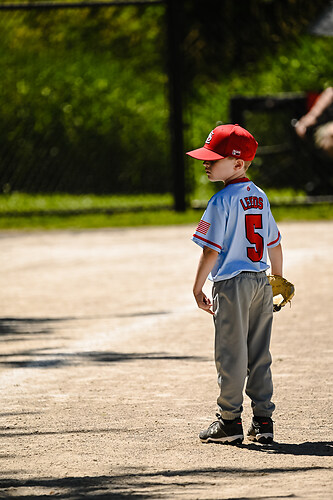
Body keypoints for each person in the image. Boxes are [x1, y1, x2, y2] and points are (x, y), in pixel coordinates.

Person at [187, 124, 283, 445]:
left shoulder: (220, 201)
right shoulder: (260, 197)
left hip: (231, 284)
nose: (206, 162)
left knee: (231, 352)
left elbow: (210, 250)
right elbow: (275, 244)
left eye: (214, 158)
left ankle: (229, 421)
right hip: (261, 281)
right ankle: (263, 420)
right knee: (259, 352)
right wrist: (278, 280)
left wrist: (197, 287)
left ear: (238, 163)